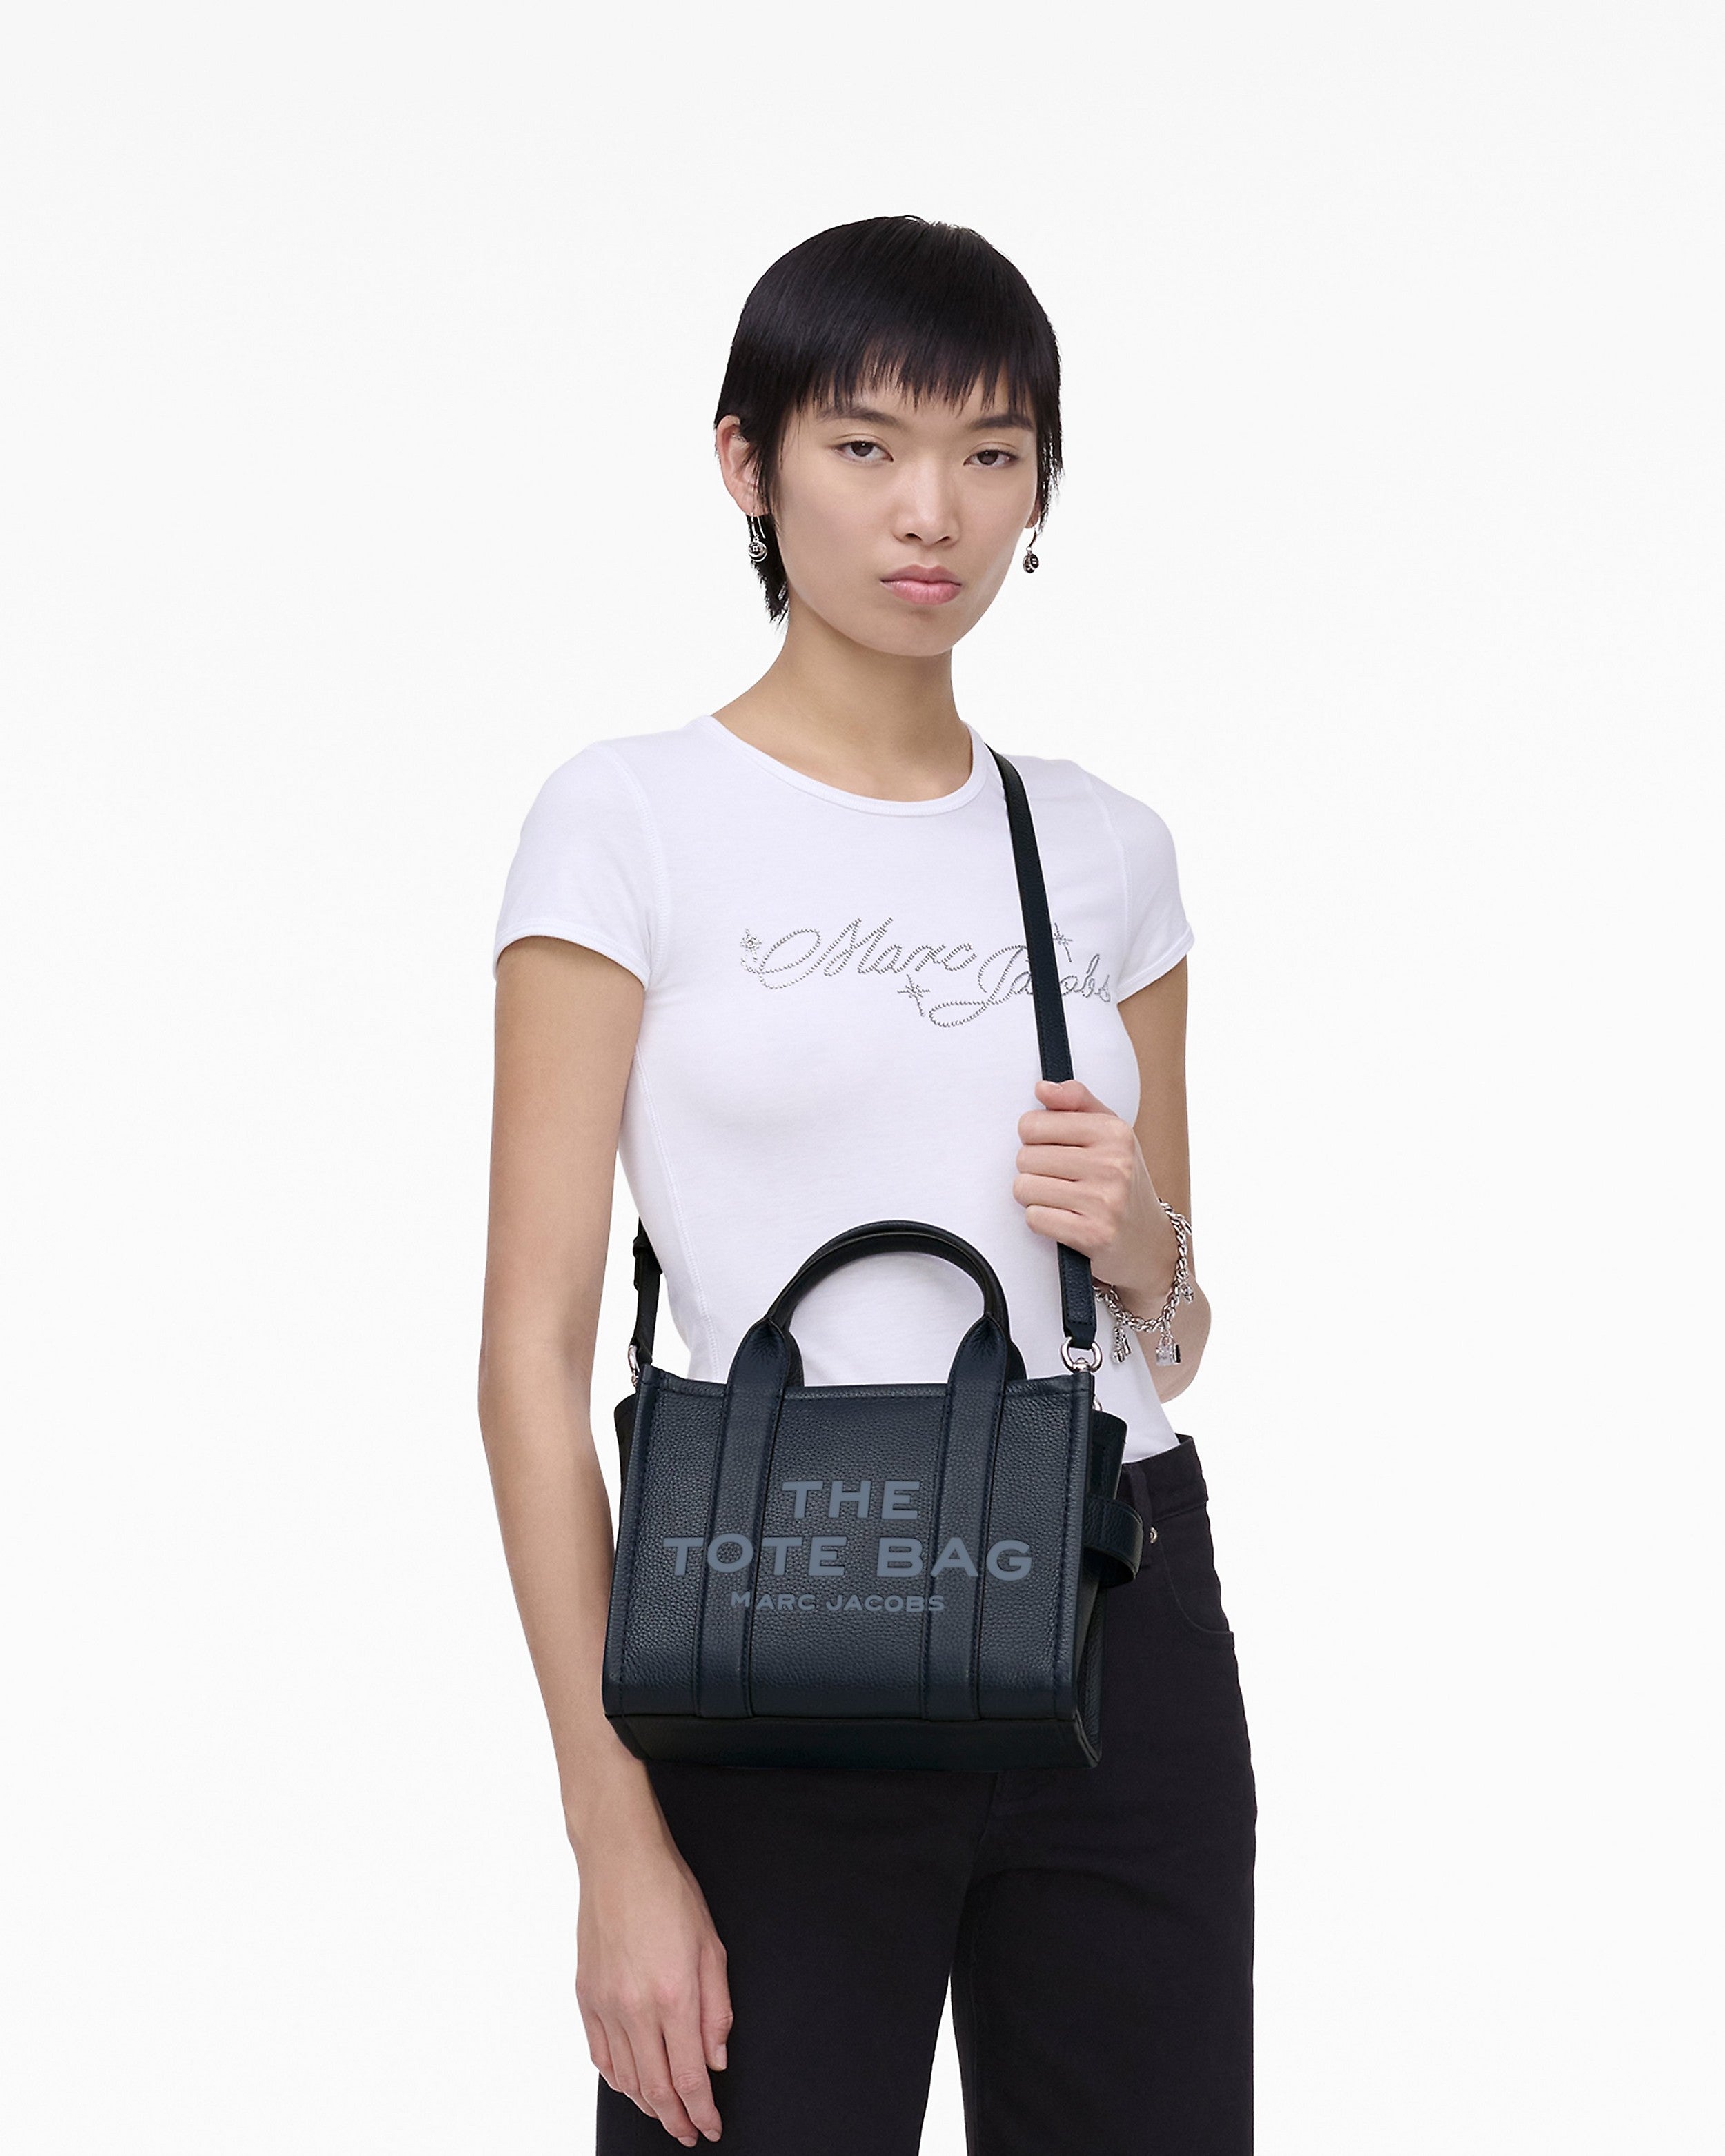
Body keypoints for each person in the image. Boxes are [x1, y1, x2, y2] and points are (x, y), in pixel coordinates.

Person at [479, 215, 1255, 2155]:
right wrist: (611, 1834)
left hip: (1112, 1609)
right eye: (866, 444)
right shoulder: (628, 821)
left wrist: (1136, 1237)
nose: (935, 510)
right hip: (768, 1622)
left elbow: (1181, 1334)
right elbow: (528, 1360)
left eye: (992, 452)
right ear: (746, 463)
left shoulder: (1103, 848)